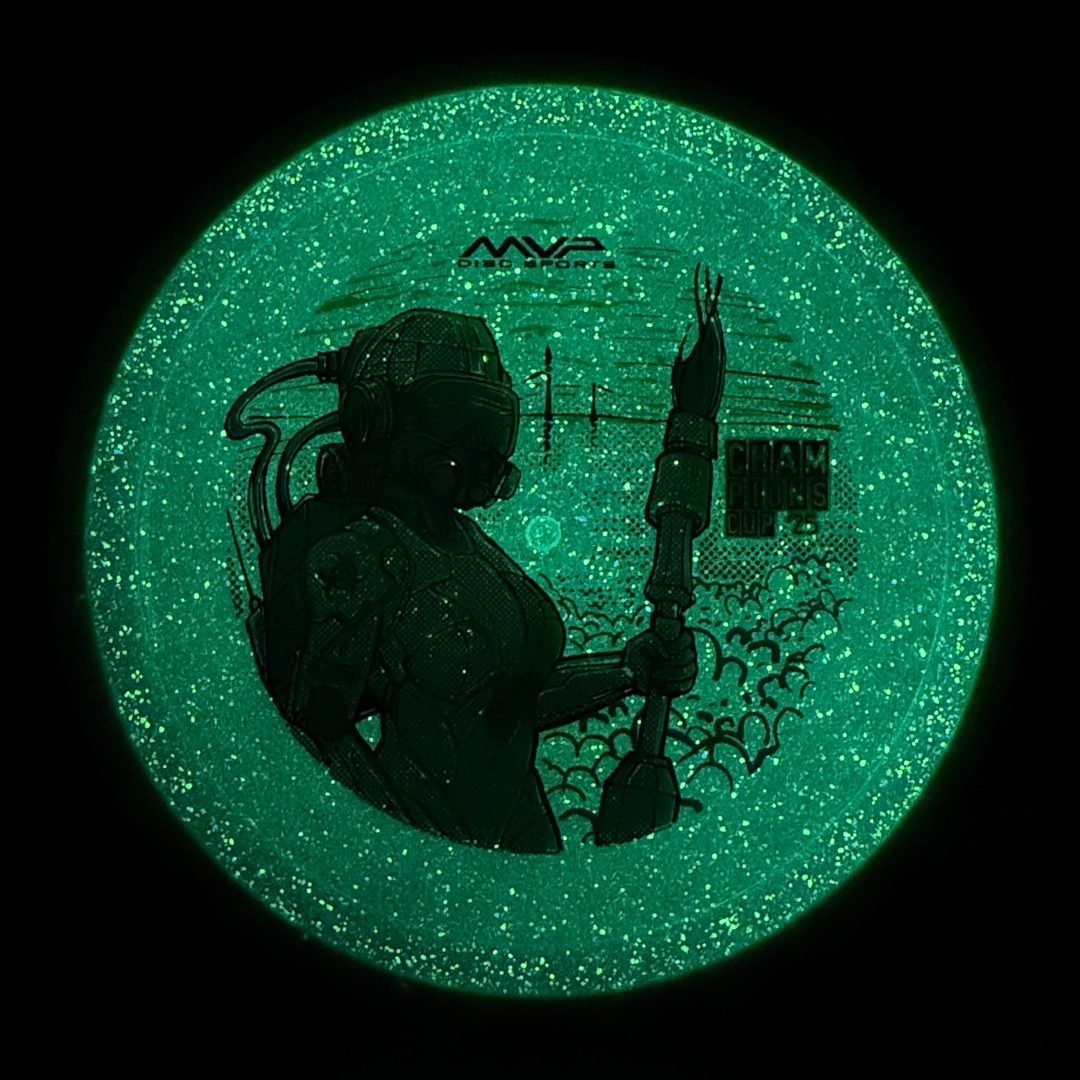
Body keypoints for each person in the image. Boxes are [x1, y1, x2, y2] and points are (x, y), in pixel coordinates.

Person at [232, 308, 696, 853]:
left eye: (490, 421)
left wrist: (625, 671)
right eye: (454, 417)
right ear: (375, 417)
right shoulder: (362, 557)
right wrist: (407, 852)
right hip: (433, 845)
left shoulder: (470, 545)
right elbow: (317, 733)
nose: (478, 448)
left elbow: (503, 703)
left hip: (521, 846)